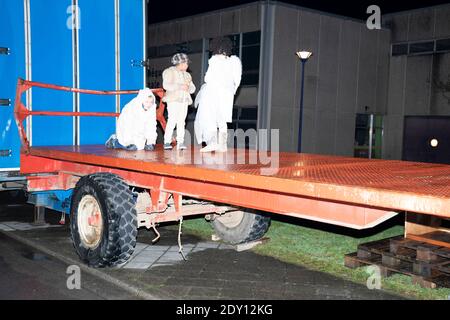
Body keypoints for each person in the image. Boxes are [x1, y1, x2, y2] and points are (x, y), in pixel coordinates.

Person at [194, 37, 242, 152]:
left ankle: (212, 142)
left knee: (209, 117)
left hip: (213, 92)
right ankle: (223, 145)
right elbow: (237, 81)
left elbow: (208, 77)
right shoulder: (233, 61)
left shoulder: (215, 60)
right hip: (227, 95)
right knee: (222, 119)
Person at [162, 53, 196, 150]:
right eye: (186, 63)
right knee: (172, 120)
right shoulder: (169, 72)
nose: (187, 65)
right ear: (180, 63)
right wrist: (180, 86)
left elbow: (193, 88)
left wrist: (188, 88)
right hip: (173, 100)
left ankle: (180, 142)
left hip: (184, 101)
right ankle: (167, 141)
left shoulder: (187, 75)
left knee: (181, 122)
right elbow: (166, 85)